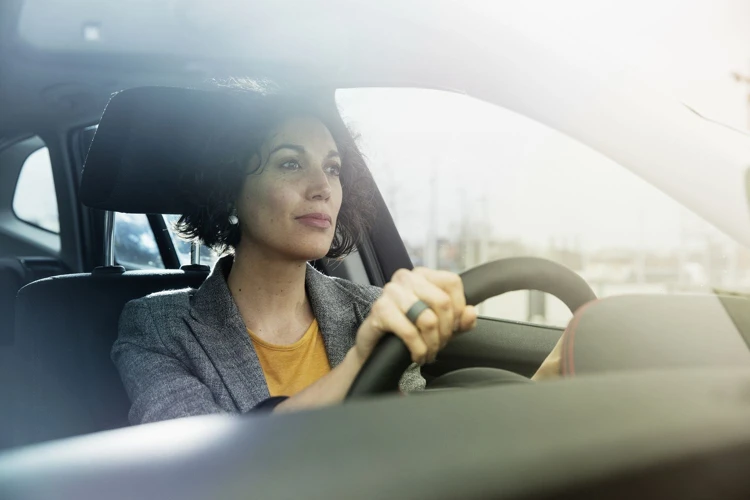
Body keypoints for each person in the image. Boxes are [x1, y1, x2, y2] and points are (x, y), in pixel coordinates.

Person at [112, 84, 477, 424]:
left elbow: (409, 453)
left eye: (332, 169)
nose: (323, 188)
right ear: (228, 191)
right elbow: (199, 468)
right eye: (290, 163)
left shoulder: (372, 309)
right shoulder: (157, 328)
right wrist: (361, 364)